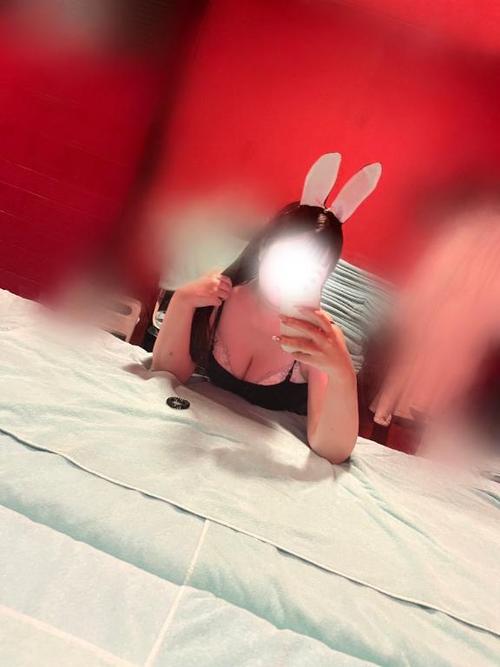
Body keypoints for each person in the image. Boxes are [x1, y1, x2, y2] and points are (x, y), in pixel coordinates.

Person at [153, 154, 381, 464]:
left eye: (315, 270)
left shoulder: (315, 338)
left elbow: (332, 449)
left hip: (259, 465)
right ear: (263, 250)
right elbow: (167, 375)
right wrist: (182, 300)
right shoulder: (221, 297)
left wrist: (341, 372)